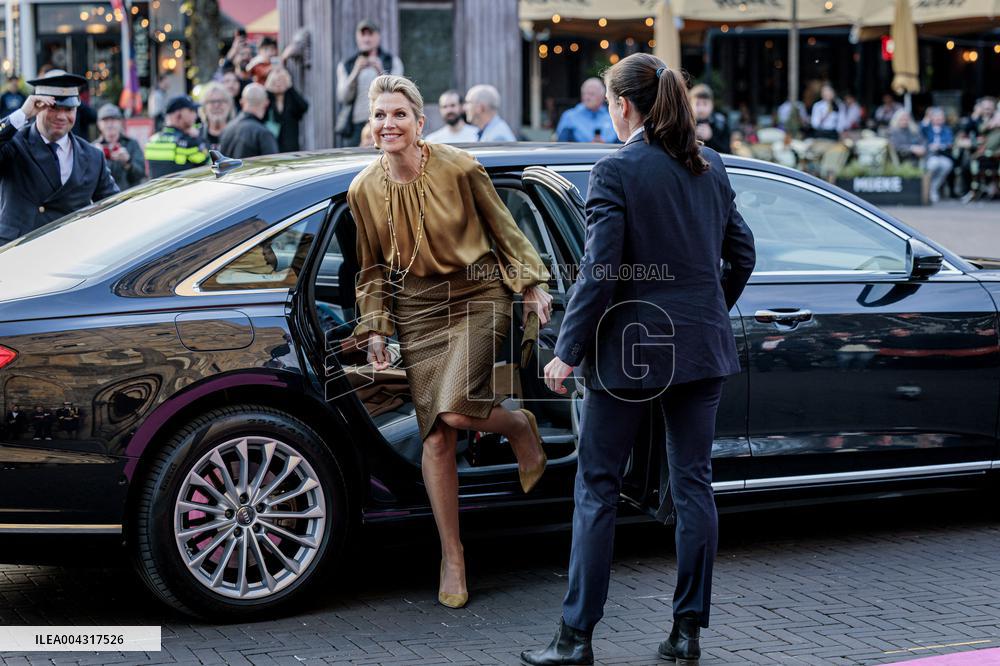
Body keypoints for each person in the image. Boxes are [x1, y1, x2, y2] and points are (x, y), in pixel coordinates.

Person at [521, 53, 755, 666]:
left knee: (597, 488)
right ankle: (686, 635)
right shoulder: (710, 165)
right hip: (701, 347)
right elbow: (743, 254)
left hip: (630, 351)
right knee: (693, 485)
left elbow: (600, 273)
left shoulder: (616, 170)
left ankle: (575, 639)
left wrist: (567, 351)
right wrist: (704, 309)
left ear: (622, 105)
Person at [348, 74, 551, 610]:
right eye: (379, 115)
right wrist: (375, 326)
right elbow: (370, 268)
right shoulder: (363, 189)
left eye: (398, 114)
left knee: (458, 411)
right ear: (371, 127)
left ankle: (516, 425)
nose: (388, 124)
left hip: (477, 294)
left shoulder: (460, 167)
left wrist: (530, 282)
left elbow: (504, 227)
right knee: (436, 435)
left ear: (419, 123)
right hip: (416, 309)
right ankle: (453, 554)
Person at [0, 70, 118, 244]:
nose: (61, 116)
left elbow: (114, 209)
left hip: (69, 254)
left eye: (69, 109)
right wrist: (22, 114)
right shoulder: (14, 144)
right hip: (19, 253)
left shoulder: (93, 156)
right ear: (37, 106)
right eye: (53, 107)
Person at [336, 19, 404, 146]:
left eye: (370, 34)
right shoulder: (346, 65)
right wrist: (355, 72)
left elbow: (398, 94)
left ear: (378, 36)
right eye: (363, 34)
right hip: (356, 125)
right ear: (357, 37)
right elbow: (343, 98)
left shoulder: (392, 61)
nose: (366, 39)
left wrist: (380, 70)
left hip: (385, 122)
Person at [144, 95, 210, 178]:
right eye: (191, 110)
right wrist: (199, 138)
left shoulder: (152, 140)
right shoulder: (189, 142)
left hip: (159, 190)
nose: (195, 115)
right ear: (178, 115)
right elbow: (210, 165)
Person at [93, 104, 146, 191]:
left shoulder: (132, 144)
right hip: (104, 201)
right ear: (99, 124)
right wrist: (95, 160)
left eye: (113, 119)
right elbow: (87, 182)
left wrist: (127, 162)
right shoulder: (93, 148)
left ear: (120, 122)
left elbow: (141, 175)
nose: (110, 124)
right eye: (105, 120)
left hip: (129, 197)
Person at [220, 83, 279, 159]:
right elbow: (273, 166)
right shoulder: (263, 134)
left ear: (242, 102)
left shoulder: (227, 129)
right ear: (266, 103)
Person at [555, 78, 616, 143]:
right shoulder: (569, 116)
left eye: (591, 94)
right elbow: (561, 144)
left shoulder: (612, 116)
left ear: (602, 97)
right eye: (584, 94)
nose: (587, 97)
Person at [265, 66, 309, 152]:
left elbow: (304, 106)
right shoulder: (268, 98)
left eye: (281, 81)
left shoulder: (291, 97)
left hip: (291, 144)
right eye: (275, 81)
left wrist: (290, 88)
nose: (278, 84)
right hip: (272, 142)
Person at [921, 107, 954, 203]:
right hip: (930, 156)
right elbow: (921, 129)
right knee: (933, 165)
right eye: (937, 118)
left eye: (941, 118)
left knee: (947, 165)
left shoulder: (946, 129)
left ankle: (933, 188)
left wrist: (939, 146)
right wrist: (927, 116)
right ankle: (928, 188)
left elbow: (949, 142)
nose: (939, 120)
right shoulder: (927, 127)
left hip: (942, 154)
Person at [689, 83, 731, 153]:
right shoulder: (685, 123)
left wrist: (711, 138)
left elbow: (727, 152)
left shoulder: (720, 124)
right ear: (690, 104)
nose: (701, 109)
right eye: (697, 104)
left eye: (705, 104)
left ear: (712, 105)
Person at [198, 81, 236, 151]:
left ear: (229, 105)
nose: (216, 105)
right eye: (211, 101)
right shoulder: (196, 136)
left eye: (221, 101)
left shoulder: (238, 135)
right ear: (204, 108)